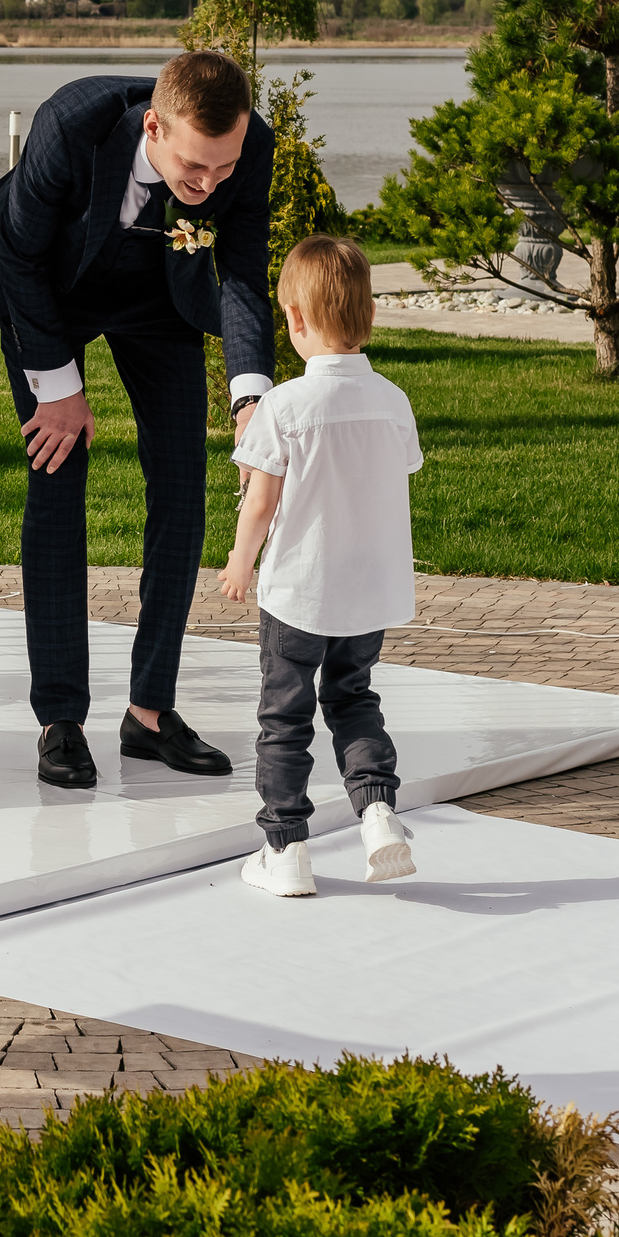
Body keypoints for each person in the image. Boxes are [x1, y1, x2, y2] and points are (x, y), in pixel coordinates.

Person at [0, 52, 275, 788]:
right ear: (153, 125)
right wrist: (57, 385)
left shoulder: (247, 148)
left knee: (184, 487)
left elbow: (245, 273)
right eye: (195, 166)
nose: (209, 184)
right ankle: (60, 717)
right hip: (49, 291)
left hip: (160, 302)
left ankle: (149, 713)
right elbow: (21, 257)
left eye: (223, 170)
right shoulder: (72, 123)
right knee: (58, 476)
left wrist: (252, 399)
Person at [218, 235, 423, 897]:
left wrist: (239, 562)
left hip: (300, 593)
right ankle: (377, 811)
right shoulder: (393, 401)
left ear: (298, 321)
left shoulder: (282, 406)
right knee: (354, 700)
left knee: (286, 719)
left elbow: (259, 503)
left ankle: (286, 848)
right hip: (367, 595)